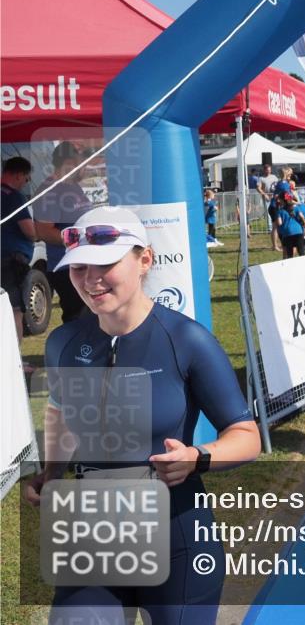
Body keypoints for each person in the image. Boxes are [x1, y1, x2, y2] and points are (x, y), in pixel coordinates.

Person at [24, 206, 260, 625]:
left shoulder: (186, 340)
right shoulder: (63, 342)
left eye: (106, 265)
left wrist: (197, 457)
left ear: (145, 259)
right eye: (79, 268)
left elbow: (246, 435)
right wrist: (52, 472)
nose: (90, 279)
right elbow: (60, 409)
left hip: (176, 536)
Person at [33, 142, 92, 323]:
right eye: (81, 163)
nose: (84, 169)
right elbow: (44, 231)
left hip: (86, 263)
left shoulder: (73, 186)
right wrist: (81, 238)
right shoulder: (49, 190)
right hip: (66, 268)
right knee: (77, 320)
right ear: (68, 162)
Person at [1, 157, 38, 364]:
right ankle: (14, 362)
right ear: (18, 175)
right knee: (14, 310)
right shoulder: (14, 197)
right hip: (10, 262)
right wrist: (39, 234)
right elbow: (29, 231)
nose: (26, 182)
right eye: (27, 178)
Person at [275, 193, 305, 259]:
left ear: (282, 201)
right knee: (301, 252)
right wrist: (304, 224)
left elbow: (280, 223)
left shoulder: (280, 211)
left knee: (290, 254)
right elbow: (301, 216)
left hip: (287, 234)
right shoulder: (296, 208)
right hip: (298, 231)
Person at [256, 164, 279, 250]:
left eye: (270, 170)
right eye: (267, 170)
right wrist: (264, 194)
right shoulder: (261, 178)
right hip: (266, 198)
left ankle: (276, 226)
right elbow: (258, 188)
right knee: (269, 213)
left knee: (276, 213)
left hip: (274, 197)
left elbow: (277, 185)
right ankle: (270, 228)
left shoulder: (274, 177)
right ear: (264, 170)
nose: (268, 171)